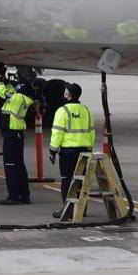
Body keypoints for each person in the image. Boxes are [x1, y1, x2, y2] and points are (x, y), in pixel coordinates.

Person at [48, 82, 96, 218]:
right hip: (84, 151)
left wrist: (52, 150)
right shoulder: (86, 110)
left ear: (68, 94)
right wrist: (90, 148)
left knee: (67, 181)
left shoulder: (63, 111)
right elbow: (92, 132)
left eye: (66, 90)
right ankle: (82, 210)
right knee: (81, 182)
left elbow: (57, 133)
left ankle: (68, 210)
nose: (64, 92)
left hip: (68, 153)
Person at [0, 67, 36, 205]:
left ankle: (14, 196)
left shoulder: (19, 97)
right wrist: (6, 81)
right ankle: (24, 195)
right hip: (16, 134)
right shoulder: (24, 94)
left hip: (12, 134)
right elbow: (12, 91)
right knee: (19, 165)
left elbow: (3, 93)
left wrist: (0, 79)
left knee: (11, 165)